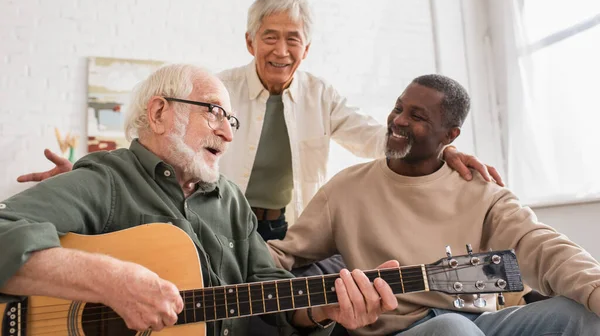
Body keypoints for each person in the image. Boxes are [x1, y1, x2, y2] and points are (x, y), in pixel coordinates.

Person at [17, 0, 503, 243]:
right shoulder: (218, 91)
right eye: (270, 36)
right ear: (251, 42)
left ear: (306, 49)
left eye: (293, 38)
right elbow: (169, 142)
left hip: (291, 226)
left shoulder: (322, 95)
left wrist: (443, 150)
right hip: (222, 218)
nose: (281, 48)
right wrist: (95, 176)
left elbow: (378, 139)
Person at [0, 64, 400, 335]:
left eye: (232, 120)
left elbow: (271, 289)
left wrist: (322, 309)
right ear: (158, 113)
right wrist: (111, 281)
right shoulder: (107, 180)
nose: (228, 134)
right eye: (214, 112)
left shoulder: (230, 199)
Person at [268, 74, 600, 335]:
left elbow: (541, 246)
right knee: (452, 330)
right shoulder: (344, 189)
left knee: (581, 315)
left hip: (479, 324)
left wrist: (595, 289)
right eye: (398, 108)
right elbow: (284, 254)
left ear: (450, 135)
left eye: (417, 116)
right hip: (402, 332)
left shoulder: (482, 191)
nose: (398, 120)